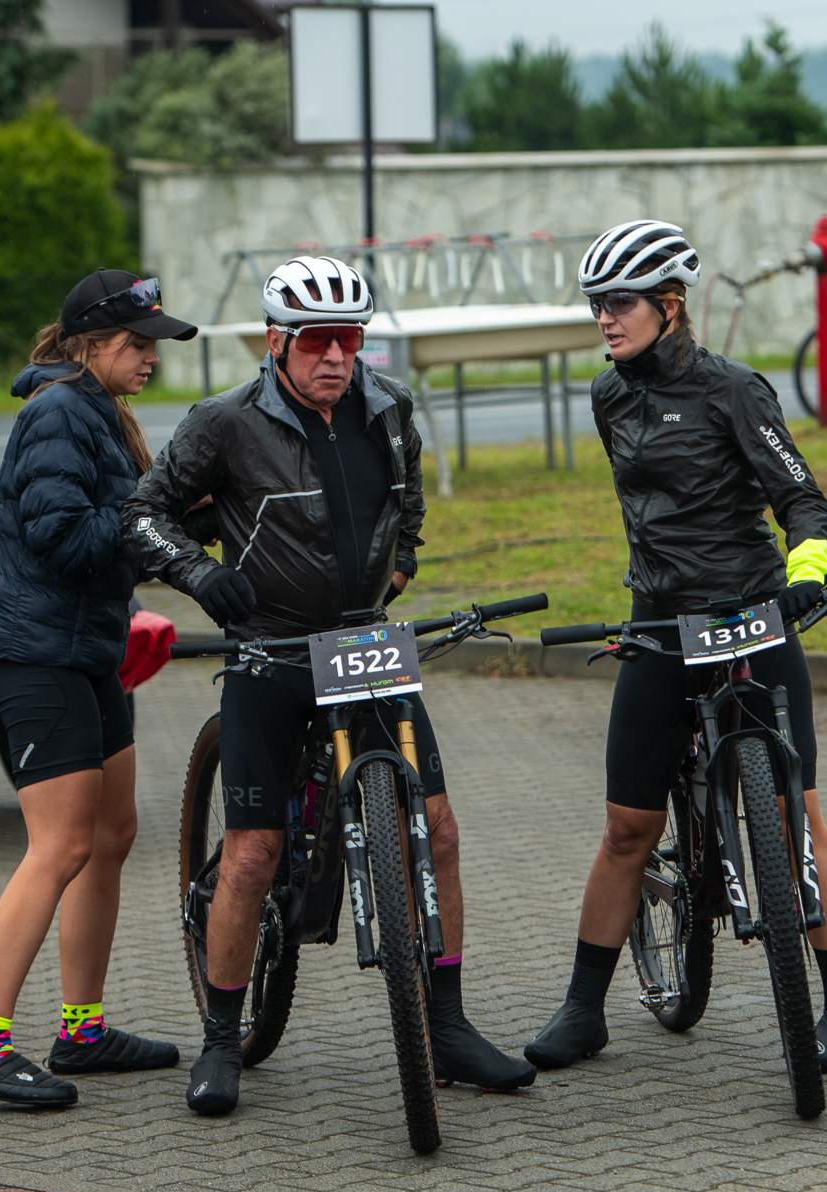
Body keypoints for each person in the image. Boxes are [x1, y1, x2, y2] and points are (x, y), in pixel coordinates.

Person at [124, 254, 536, 1117]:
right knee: (252, 853)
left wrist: (400, 567)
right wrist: (201, 576)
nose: (337, 356)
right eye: (317, 341)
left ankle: (447, 1024)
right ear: (276, 342)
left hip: (365, 644)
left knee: (439, 831)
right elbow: (142, 515)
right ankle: (221, 1040)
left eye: (349, 338)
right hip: (270, 648)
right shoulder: (224, 422)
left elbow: (408, 508)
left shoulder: (389, 408)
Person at [524, 220, 827, 1076]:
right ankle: (583, 1010)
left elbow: (803, 500)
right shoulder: (608, 397)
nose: (605, 318)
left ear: (670, 306)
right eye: (596, 304)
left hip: (752, 613)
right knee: (626, 827)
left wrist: (806, 573)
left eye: (620, 303)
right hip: (658, 623)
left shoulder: (735, 390)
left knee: (798, 814)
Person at [0, 271, 197, 1106]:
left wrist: (179, 521)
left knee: (112, 833)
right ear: (90, 344)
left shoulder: (100, 409)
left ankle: (82, 1031)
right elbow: (62, 537)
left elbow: (119, 529)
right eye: (137, 342)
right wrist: (150, 525)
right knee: (57, 848)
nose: (151, 356)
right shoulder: (57, 412)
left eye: (154, 342)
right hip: (37, 658)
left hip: (89, 653)